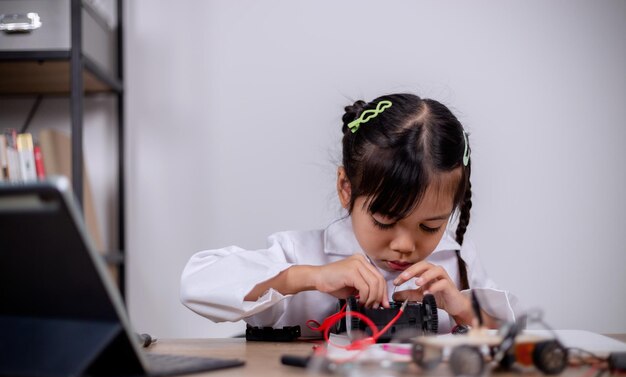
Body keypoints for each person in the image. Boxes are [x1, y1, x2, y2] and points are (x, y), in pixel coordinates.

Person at [180, 93, 520, 337]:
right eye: (385, 221)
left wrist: (460, 308)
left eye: (429, 226)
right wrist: (308, 277)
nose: (404, 245)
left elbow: (516, 340)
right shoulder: (302, 255)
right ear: (346, 188)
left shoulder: (456, 262)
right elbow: (196, 285)